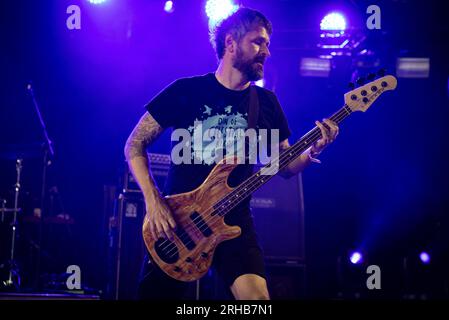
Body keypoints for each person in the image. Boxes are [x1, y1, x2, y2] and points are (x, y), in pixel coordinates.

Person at [124, 7, 339, 300]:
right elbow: (134, 144)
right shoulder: (186, 91)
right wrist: (153, 201)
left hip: (234, 221)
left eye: (267, 44)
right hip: (179, 223)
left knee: (258, 302)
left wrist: (312, 147)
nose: (266, 51)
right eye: (257, 42)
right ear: (230, 43)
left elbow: (284, 166)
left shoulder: (265, 103)